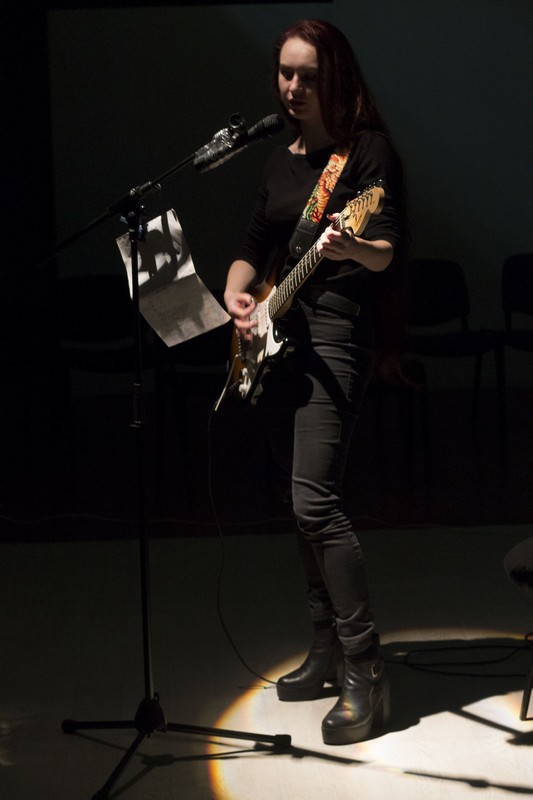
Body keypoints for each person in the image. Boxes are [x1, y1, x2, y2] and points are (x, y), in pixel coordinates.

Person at [223, 19, 406, 746]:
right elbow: (251, 246)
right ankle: (325, 647)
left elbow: (385, 252)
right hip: (278, 340)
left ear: (336, 78)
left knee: (315, 502)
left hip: (335, 334)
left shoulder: (365, 153)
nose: (292, 87)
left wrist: (349, 244)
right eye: (284, 73)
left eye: (306, 75)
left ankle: (367, 669)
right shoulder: (279, 161)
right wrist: (239, 297)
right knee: (298, 507)